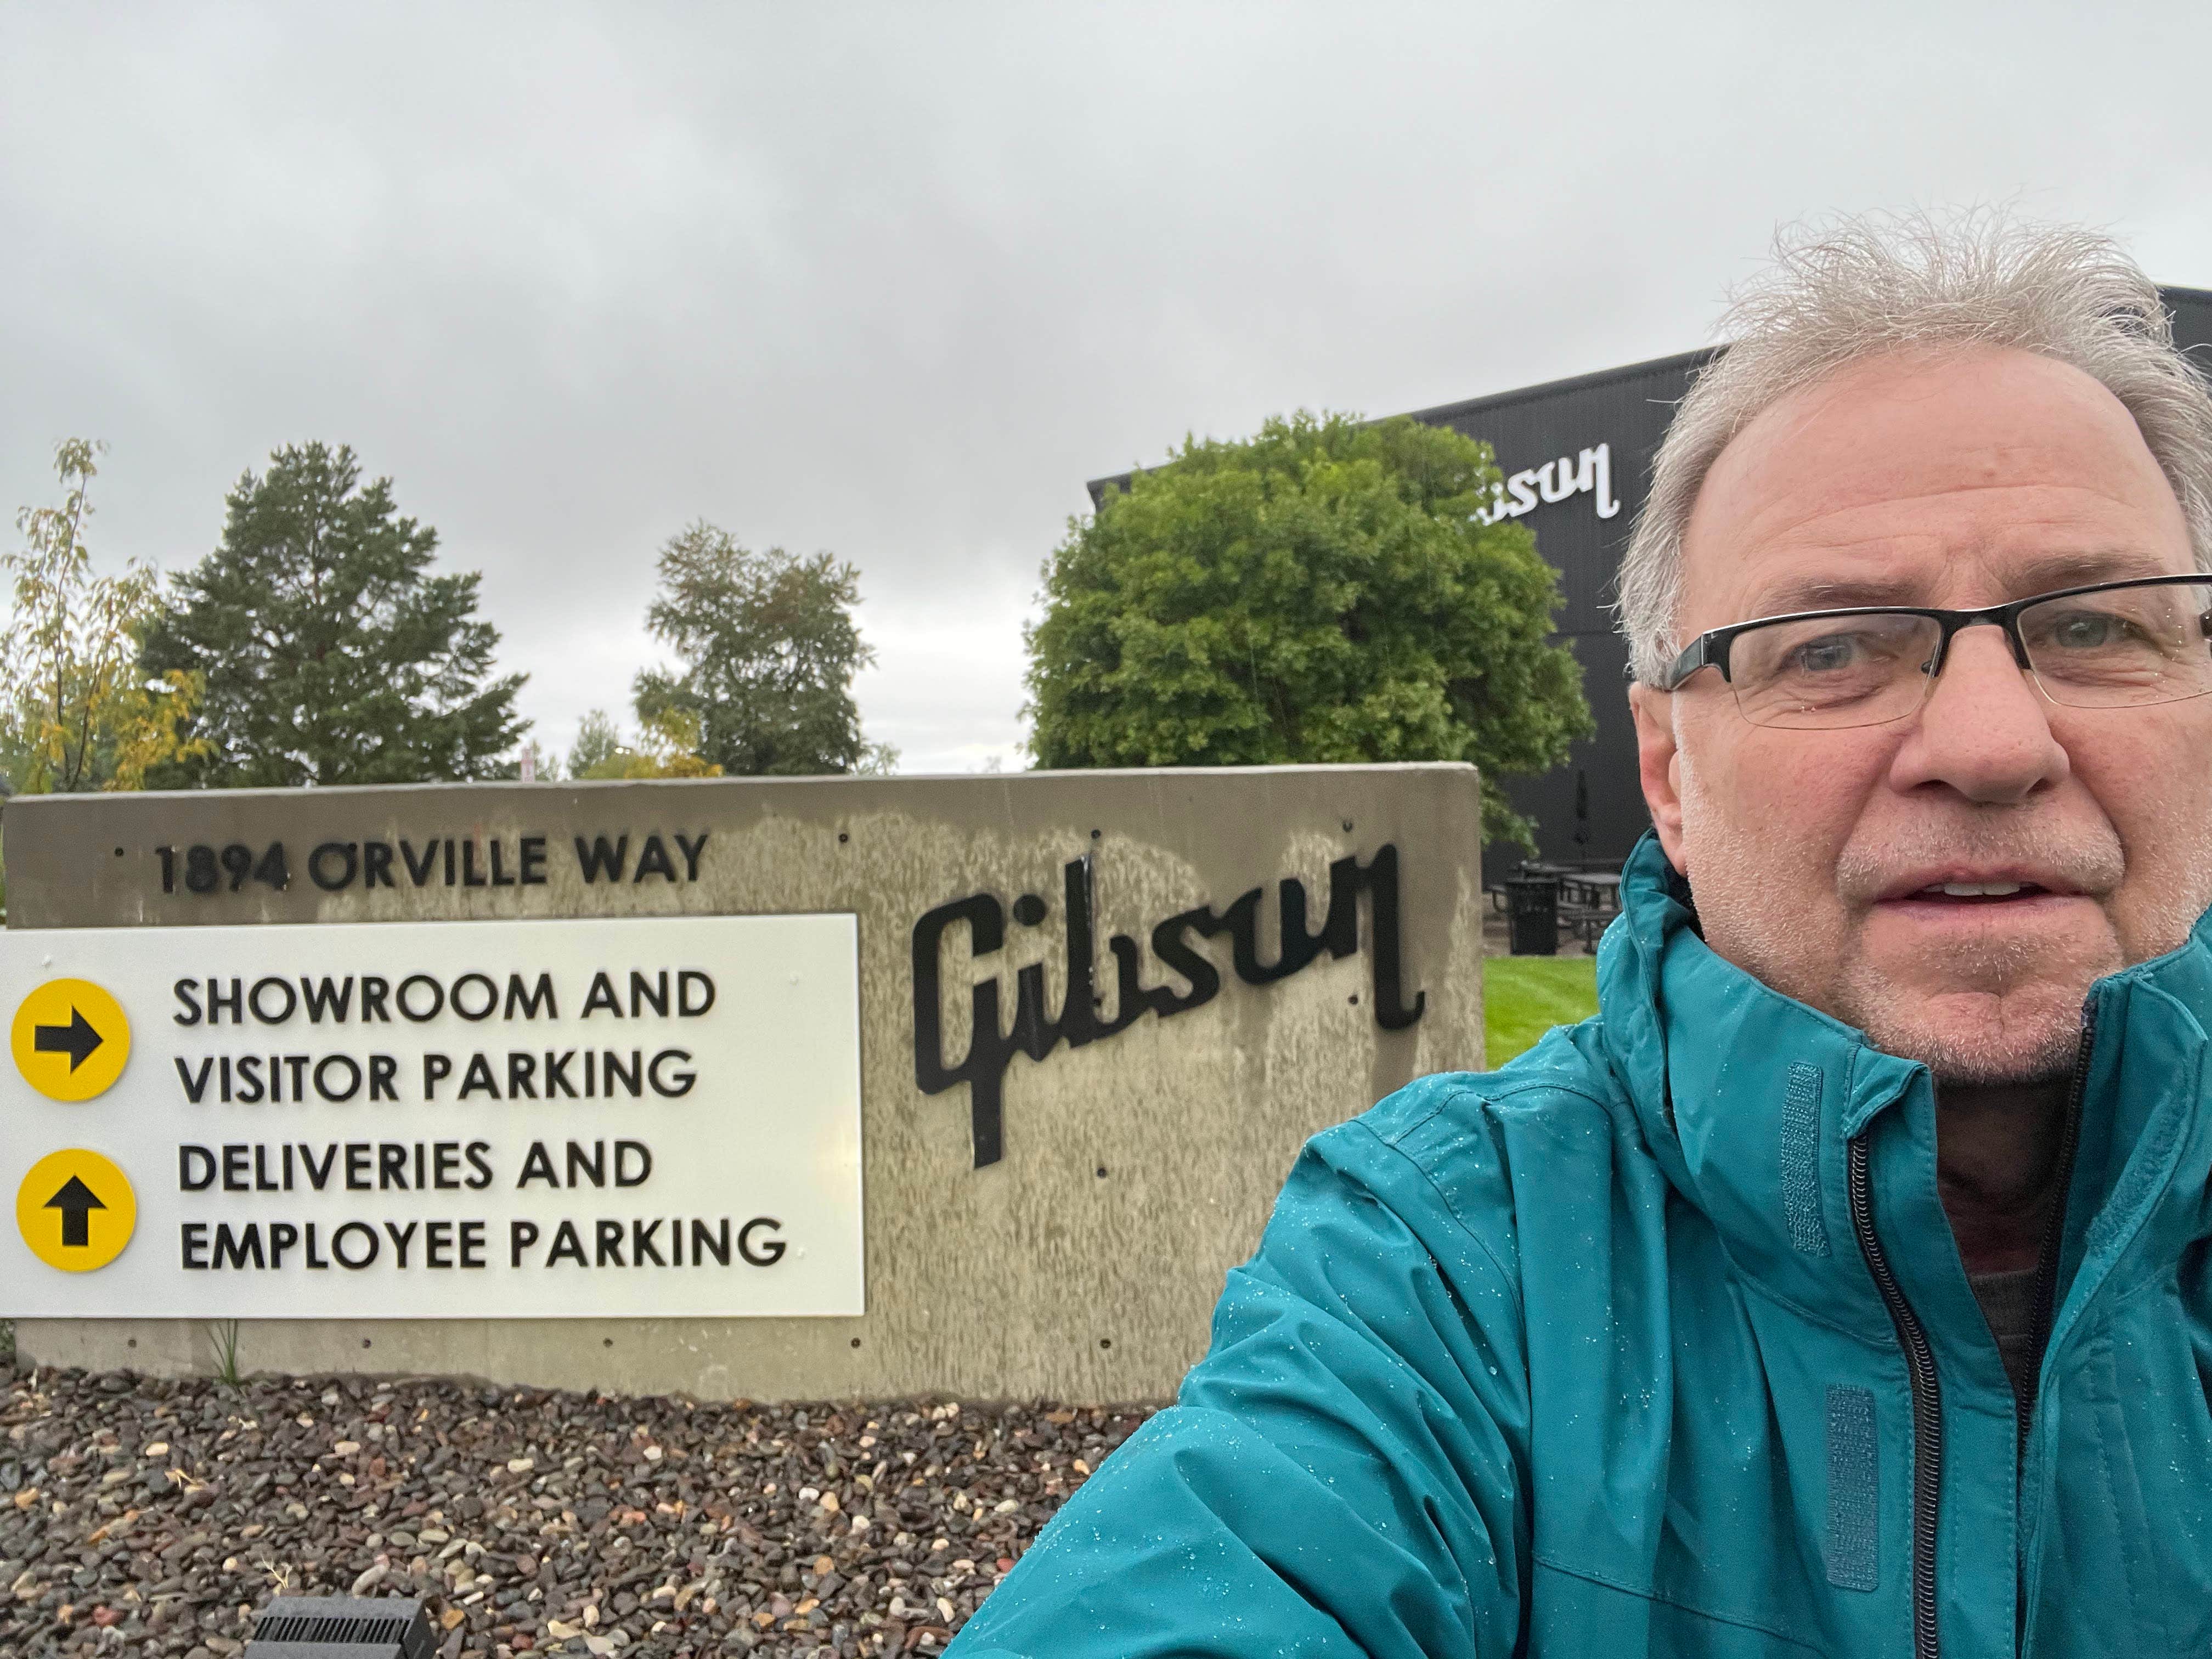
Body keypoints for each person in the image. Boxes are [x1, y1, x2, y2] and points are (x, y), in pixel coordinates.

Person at [945, 212, 2212, 1657]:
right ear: (1672, 776)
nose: (1992, 742)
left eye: (2097, 627)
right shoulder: (1454, 1264)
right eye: (1836, 646)